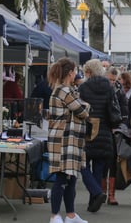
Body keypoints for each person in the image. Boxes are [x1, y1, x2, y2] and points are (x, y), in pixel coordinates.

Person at [45, 58, 90, 223]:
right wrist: (85, 106)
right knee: (62, 178)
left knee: (70, 177)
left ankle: (70, 215)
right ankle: (55, 215)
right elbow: (82, 111)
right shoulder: (64, 91)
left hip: (67, 139)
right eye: (74, 72)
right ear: (70, 73)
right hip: (65, 140)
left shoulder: (62, 89)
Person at [78, 59, 121, 212]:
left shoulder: (83, 87)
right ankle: (93, 201)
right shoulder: (109, 88)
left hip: (87, 130)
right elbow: (113, 110)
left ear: (88, 72)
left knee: (82, 165)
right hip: (105, 131)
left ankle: (96, 193)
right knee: (99, 166)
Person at [103, 65, 129, 205]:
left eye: (114, 80)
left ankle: (111, 194)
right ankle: (101, 192)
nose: (112, 82)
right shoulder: (101, 89)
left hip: (115, 131)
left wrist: (119, 127)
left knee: (113, 163)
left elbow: (125, 111)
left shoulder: (120, 92)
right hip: (102, 129)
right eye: (109, 79)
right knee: (102, 162)